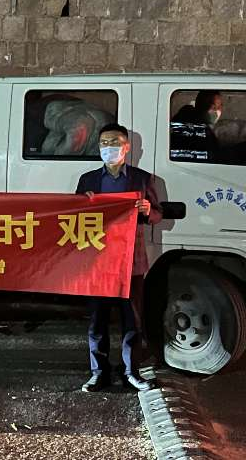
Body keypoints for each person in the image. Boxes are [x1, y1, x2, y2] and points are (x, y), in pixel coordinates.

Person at [76, 123, 163, 393]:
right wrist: (83, 203)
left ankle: (130, 372)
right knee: (97, 320)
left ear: (127, 147)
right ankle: (98, 373)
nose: (108, 147)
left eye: (114, 142)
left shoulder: (142, 179)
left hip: (131, 262)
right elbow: (74, 217)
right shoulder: (88, 180)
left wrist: (147, 210)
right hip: (98, 261)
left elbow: (158, 214)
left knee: (132, 320)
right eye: (103, 143)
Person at [171, 90, 223, 161]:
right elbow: (209, 157)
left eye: (220, 107)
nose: (217, 111)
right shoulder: (194, 130)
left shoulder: (201, 127)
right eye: (214, 107)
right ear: (200, 106)